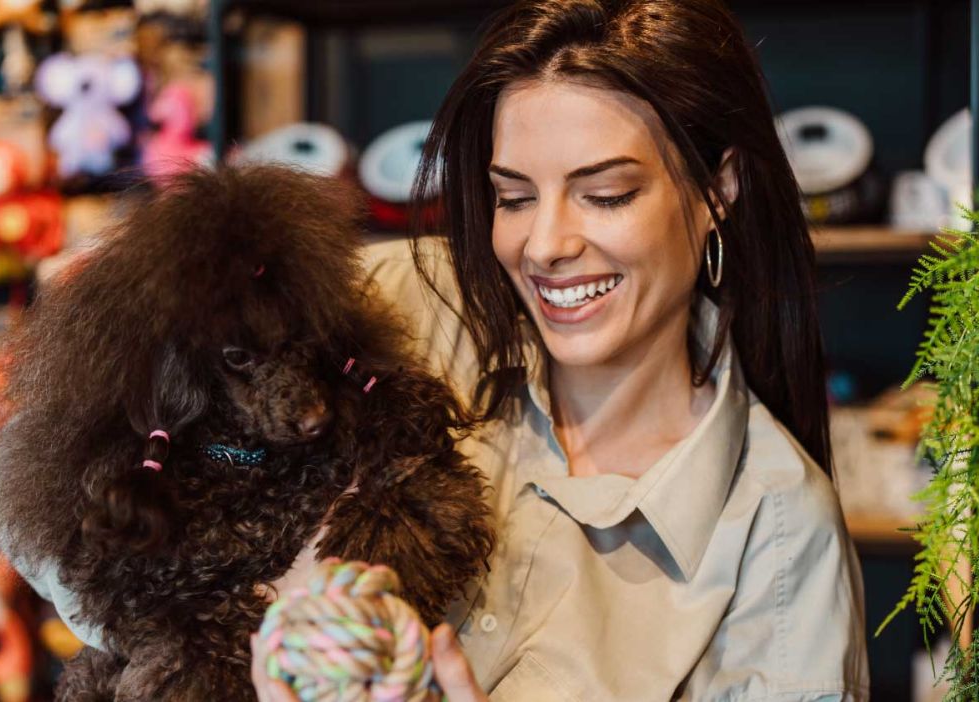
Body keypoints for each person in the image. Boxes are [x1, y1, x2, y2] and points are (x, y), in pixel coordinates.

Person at [256, 0, 869, 699]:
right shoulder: (405, 309)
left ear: (716, 190)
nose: (544, 246)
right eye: (513, 198)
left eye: (605, 195)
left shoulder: (780, 543)